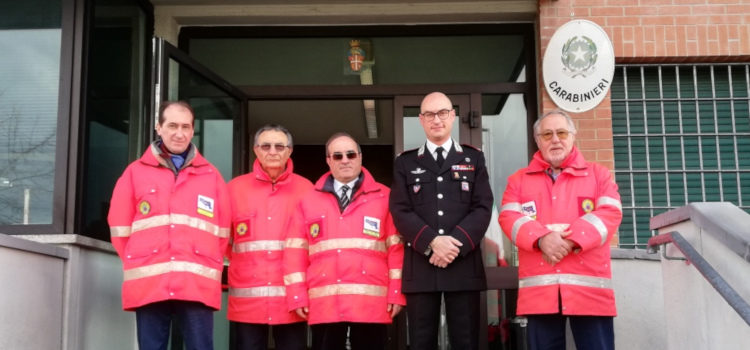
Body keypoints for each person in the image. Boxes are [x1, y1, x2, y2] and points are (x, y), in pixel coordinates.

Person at [108, 101, 230, 350]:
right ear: (158, 128)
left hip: (197, 284)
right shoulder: (135, 173)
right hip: (150, 281)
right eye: (172, 125)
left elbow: (222, 233)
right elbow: (120, 230)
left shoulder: (211, 175)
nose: (179, 132)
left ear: (193, 130)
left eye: (186, 126)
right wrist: (141, 261)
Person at [498, 109, 623, 350]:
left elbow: (610, 213)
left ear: (573, 136)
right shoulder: (518, 180)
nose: (555, 139)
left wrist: (572, 240)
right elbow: (508, 217)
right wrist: (541, 239)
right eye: (547, 134)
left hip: (590, 292)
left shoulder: (600, 175)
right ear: (537, 140)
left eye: (561, 132)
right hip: (540, 293)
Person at [389, 92, 494, 350]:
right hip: (422, 265)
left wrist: (452, 245)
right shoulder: (406, 162)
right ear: (421, 120)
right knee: (421, 342)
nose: (436, 120)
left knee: (466, 341)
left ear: (453, 117)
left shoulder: (473, 158)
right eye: (429, 115)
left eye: (442, 113)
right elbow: (400, 209)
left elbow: (482, 206)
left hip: (463, 264)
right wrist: (432, 242)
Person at [283, 132, 405, 350]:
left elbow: (396, 250)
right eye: (337, 156)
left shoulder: (385, 197)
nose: (345, 160)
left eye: (350, 154)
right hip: (325, 304)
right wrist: (297, 296)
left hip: (370, 305)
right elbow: (295, 254)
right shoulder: (308, 201)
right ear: (328, 161)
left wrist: (397, 292)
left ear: (360, 156)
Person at [226, 125, 312, 350]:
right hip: (247, 301)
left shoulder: (308, 190)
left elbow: (315, 246)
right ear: (256, 150)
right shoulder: (234, 189)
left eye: (279, 146)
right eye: (266, 146)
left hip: (292, 300)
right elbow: (222, 241)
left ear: (289, 151)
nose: (272, 151)